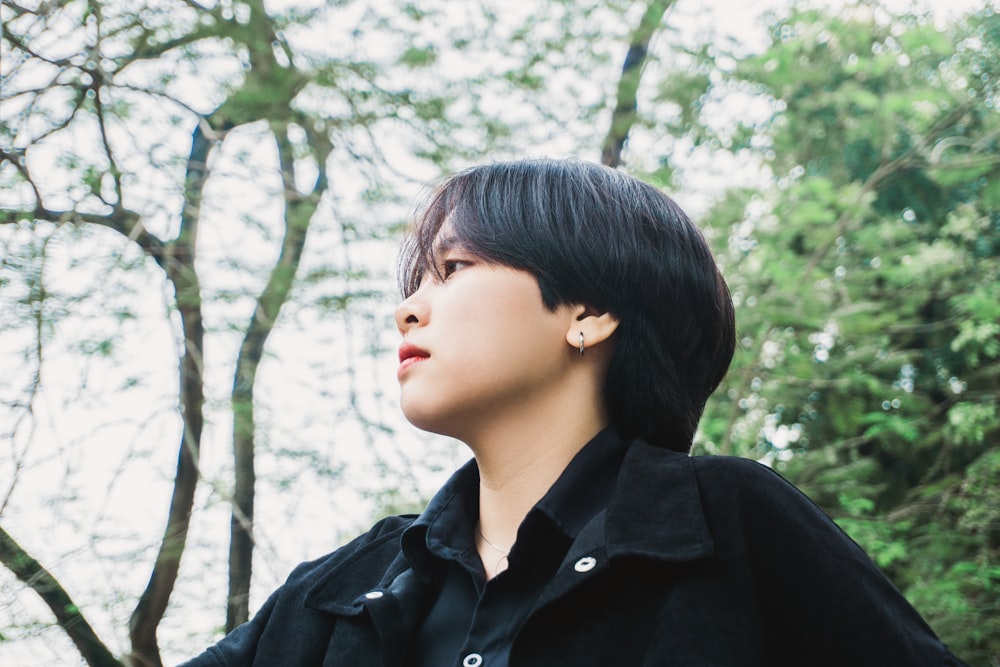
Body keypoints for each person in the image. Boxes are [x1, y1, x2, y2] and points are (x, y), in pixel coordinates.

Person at [182, 158, 965, 666]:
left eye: (452, 268)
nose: (409, 311)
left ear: (587, 310)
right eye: (414, 283)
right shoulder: (333, 593)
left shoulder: (733, 527)